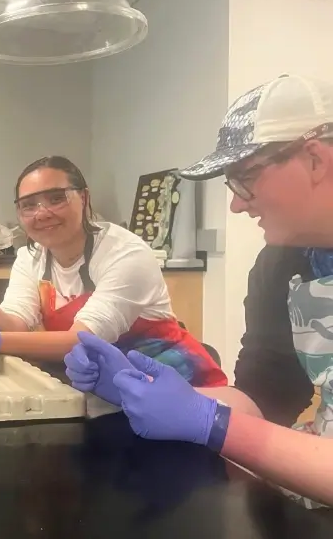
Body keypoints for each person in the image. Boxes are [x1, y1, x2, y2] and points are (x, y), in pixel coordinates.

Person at [65, 74, 333, 508]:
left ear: (316, 160)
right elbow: (266, 398)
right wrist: (138, 388)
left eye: (245, 178)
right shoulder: (281, 266)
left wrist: (213, 423)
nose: (236, 204)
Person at [0, 156, 226, 400]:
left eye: (56, 199)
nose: (41, 213)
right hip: (103, 386)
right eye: (28, 205)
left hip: (175, 385)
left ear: (83, 198)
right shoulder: (31, 258)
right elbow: (14, 326)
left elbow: (80, 340)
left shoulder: (126, 253)